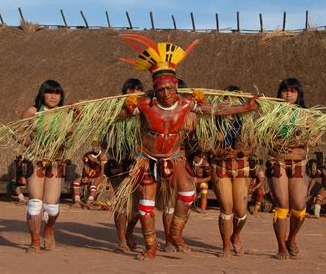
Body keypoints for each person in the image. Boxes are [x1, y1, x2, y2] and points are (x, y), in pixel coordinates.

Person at [114, 34, 259, 260]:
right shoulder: (144, 105)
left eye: (170, 88)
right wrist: (94, 114)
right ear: (155, 88)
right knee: (146, 206)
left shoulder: (187, 103)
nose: (166, 93)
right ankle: (151, 247)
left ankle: (175, 234)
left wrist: (245, 108)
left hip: (174, 156)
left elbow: (215, 110)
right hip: (148, 159)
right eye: (161, 89)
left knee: (188, 193)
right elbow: (118, 116)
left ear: (176, 85)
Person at [266, 78, 315, 260]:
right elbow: (262, 136)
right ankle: (281, 247)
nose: (288, 94)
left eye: (293, 91)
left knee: (300, 206)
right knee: (282, 205)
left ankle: (292, 239)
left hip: (298, 164)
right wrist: (278, 142)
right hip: (277, 162)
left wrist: (299, 140)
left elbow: (317, 138)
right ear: (279, 92)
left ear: (298, 93)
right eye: (285, 90)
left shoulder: (306, 115)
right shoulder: (272, 113)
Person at [209, 85, 256, 257]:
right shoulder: (214, 121)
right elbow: (205, 144)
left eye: (235, 100)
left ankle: (236, 235)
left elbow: (253, 146)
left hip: (241, 167)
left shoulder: (246, 121)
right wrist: (219, 152)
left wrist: (241, 152)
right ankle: (226, 245)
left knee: (241, 211)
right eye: (227, 100)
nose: (231, 104)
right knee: (226, 208)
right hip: (221, 167)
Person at [21, 79, 67, 253]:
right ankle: (34, 242)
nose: (54, 97)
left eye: (57, 93)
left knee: (51, 206)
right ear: (42, 93)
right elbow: (17, 133)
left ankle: (48, 229)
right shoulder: (33, 111)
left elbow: (71, 135)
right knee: (34, 203)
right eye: (50, 92)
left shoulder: (64, 114)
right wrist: (32, 147)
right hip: (36, 161)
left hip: (56, 162)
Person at [109, 78, 144, 252]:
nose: (135, 91)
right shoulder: (112, 109)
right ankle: (121, 240)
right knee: (122, 204)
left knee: (138, 207)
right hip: (118, 164)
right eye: (131, 88)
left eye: (138, 88)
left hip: (139, 163)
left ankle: (129, 231)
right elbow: (104, 135)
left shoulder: (147, 111)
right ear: (125, 91)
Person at [71, 144, 108, 209]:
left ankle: (89, 202)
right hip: (89, 174)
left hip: (100, 174)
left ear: (99, 147)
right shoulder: (87, 155)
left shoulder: (103, 156)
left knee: (93, 186)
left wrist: (95, 161)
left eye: (96, 146)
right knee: (76, 182)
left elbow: (103, 170)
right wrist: (86, 176)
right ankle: (77, 201)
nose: (95, 148)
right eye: (93, 146)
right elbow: (86, 166)